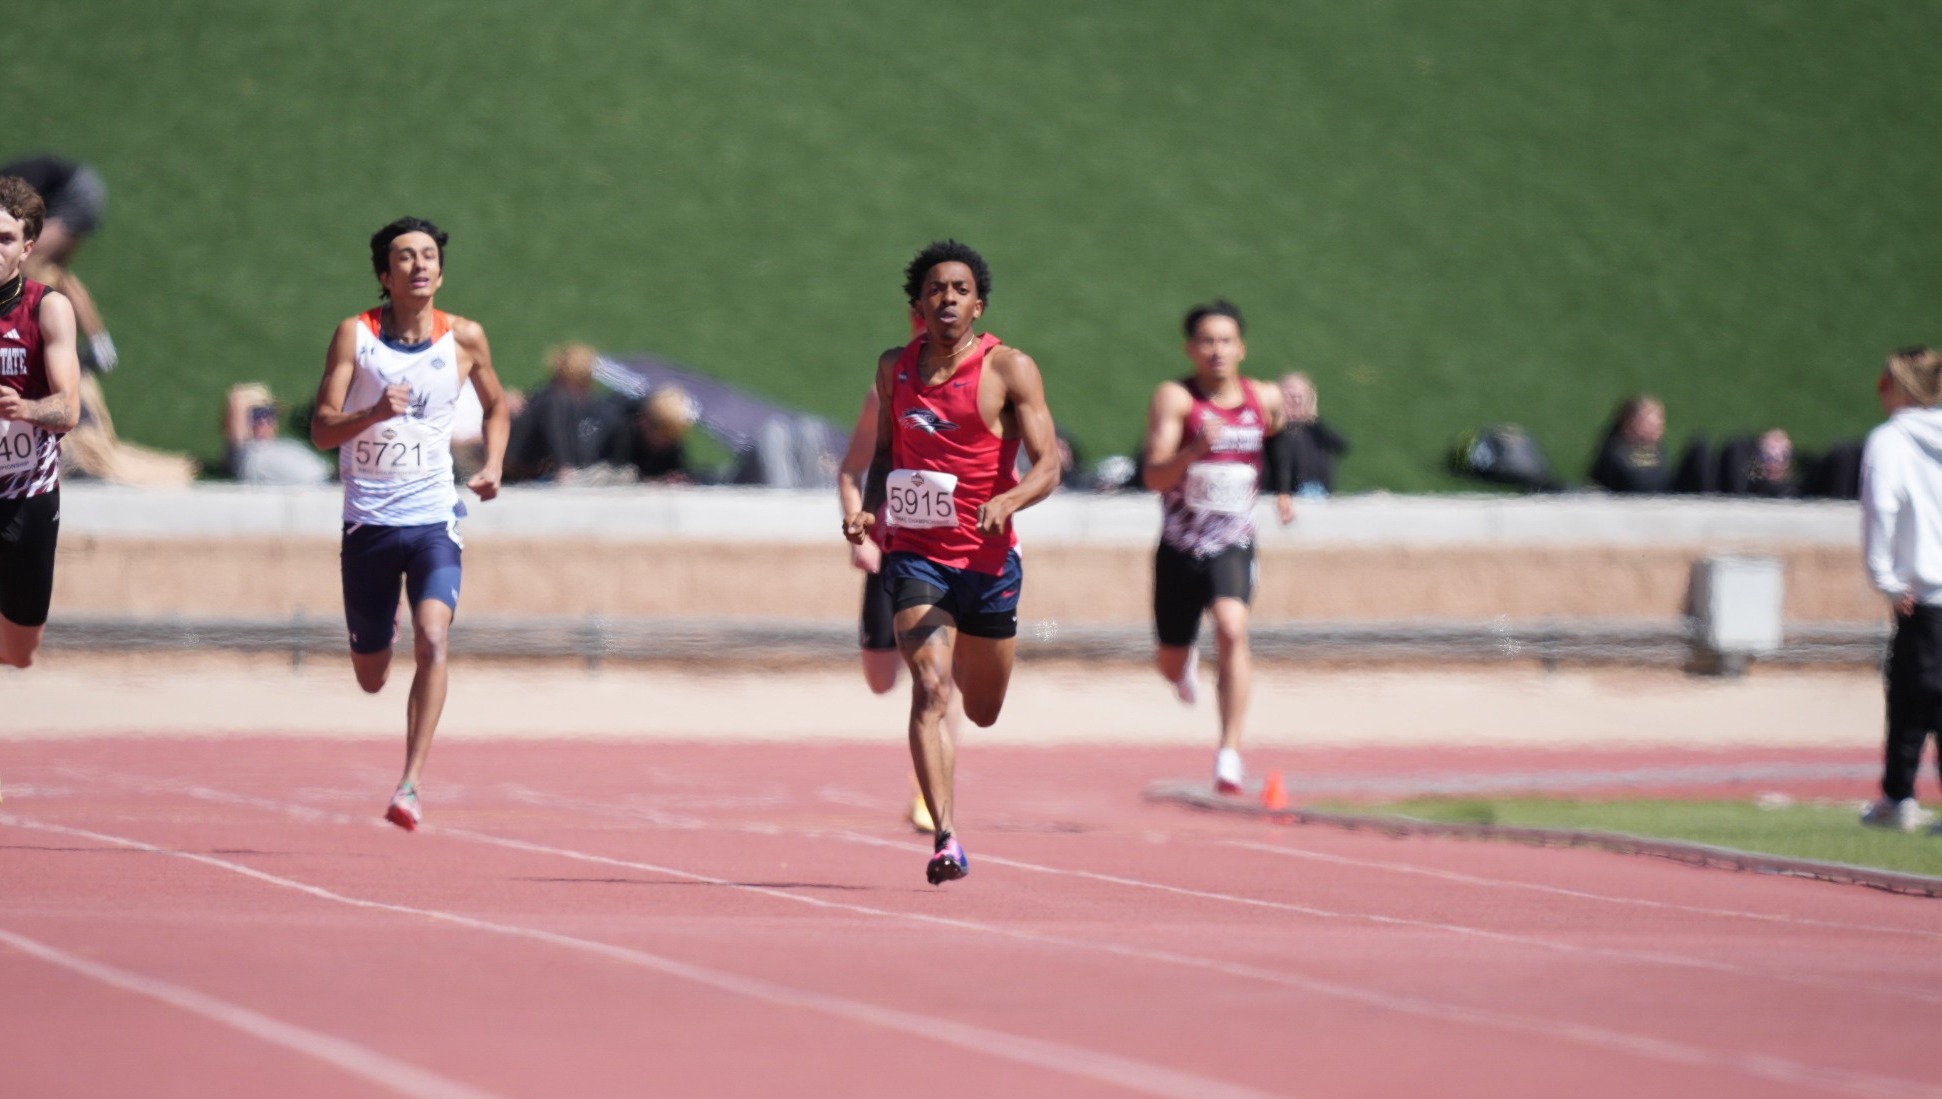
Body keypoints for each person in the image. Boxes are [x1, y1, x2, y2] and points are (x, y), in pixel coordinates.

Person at [842, 240, 1062, 884]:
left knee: (983, 708)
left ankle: (971, 670)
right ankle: (945, 837)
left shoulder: (1010, 368)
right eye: (936, 288)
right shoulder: (893, 368)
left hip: (989, 564)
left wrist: (1010, 499)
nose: (948, 298)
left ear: (978, 305)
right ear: (919, 304)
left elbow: (1049, 465)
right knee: (931, 687)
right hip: (917, 556)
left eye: (960, 289)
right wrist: (871, 511)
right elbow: (886, 455)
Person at [310, 216, 510, 830]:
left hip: (432, 520)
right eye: (405, 256)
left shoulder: (466, 337)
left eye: (428, 255)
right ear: (384, 273)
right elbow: (321, 429)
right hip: (368, 524)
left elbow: (498, 406)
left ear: (440, 272)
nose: (419, 264)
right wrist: (371, 413)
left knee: (433, 639)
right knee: (371, 677)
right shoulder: (355, 336)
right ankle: (381, 631)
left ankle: (410, 785)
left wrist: (494, 464)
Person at [1141, 300, 1294, 795]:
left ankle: (1229, 751)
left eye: (1226, 341)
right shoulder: (1176, 400)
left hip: (1232, 542)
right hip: (1180, 546)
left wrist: (1284, 490)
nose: (1217, 351)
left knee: (1232, 627)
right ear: (1190, 349)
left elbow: (1279, 438)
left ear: (1241, 348)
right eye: (1207, 341)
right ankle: (1182, 664)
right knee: (1169, 662)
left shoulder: (1263, 397)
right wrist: (1195, 451)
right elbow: (1154, 477)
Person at [0, 176, 83, 669]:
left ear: (26, 248)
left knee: (20, 650)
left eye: (5, 239)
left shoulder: (47, 309)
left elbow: (68, 410)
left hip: (26, 496)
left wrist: (24, 409)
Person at [1859, 345, 1942, 834]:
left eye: (1883, 384)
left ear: (1901, 388)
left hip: (1923, 594)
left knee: (1913, 696)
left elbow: (1881, 509)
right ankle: (1898, 797)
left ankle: (1898, 797)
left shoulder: (1891, 440)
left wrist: (1885, 579)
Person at [503, 342, 630, 483]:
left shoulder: (599, 408)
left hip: (563, 471)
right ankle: (566, 470)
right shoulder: (547, 401)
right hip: (524, 470)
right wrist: (564, 466)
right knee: (555, 404)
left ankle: (574, 471)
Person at [223, 382, 330, 485]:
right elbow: (238, 405)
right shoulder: (248, 456)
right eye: (256, 415)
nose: (264, 422)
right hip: (322, 486)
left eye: (270, 413)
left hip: (329, 479)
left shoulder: (283, 444)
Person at [1277, 372, 1350, 497]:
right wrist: (1281, 420)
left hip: (1320, 493)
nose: (1296, 401)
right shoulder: (1274, 429)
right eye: (1291, 396)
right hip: (1286, 495)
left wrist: (1314, 420)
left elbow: (1342, 445)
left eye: (1300, 397)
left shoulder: (1315, 428)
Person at [624, 385, 696, 483]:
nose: (668, 443)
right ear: (644, 422)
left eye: (672, 437)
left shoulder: (671, 443)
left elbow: (677, 470)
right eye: (664, 436)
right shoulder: (617, 431)